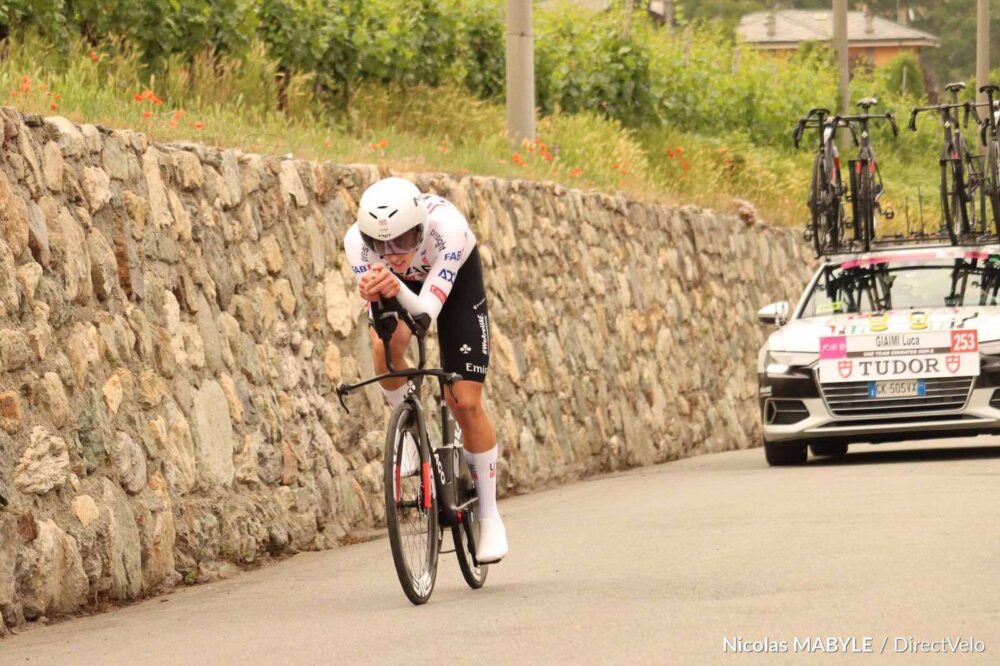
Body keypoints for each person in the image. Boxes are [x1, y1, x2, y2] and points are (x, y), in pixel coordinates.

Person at [343, 176, 507, 564]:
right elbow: (389, 323)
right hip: (398, 288)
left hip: (452, 287)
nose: (393, 252)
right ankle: (414, 438)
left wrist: (392, 285)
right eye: (380, 244)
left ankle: (489, 514)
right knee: (385, 348)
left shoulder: (448, 230)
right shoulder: (356, 243)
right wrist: (376, 289)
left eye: (403, 240)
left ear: (421, 228)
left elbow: (424, 317)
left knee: (464, 401)